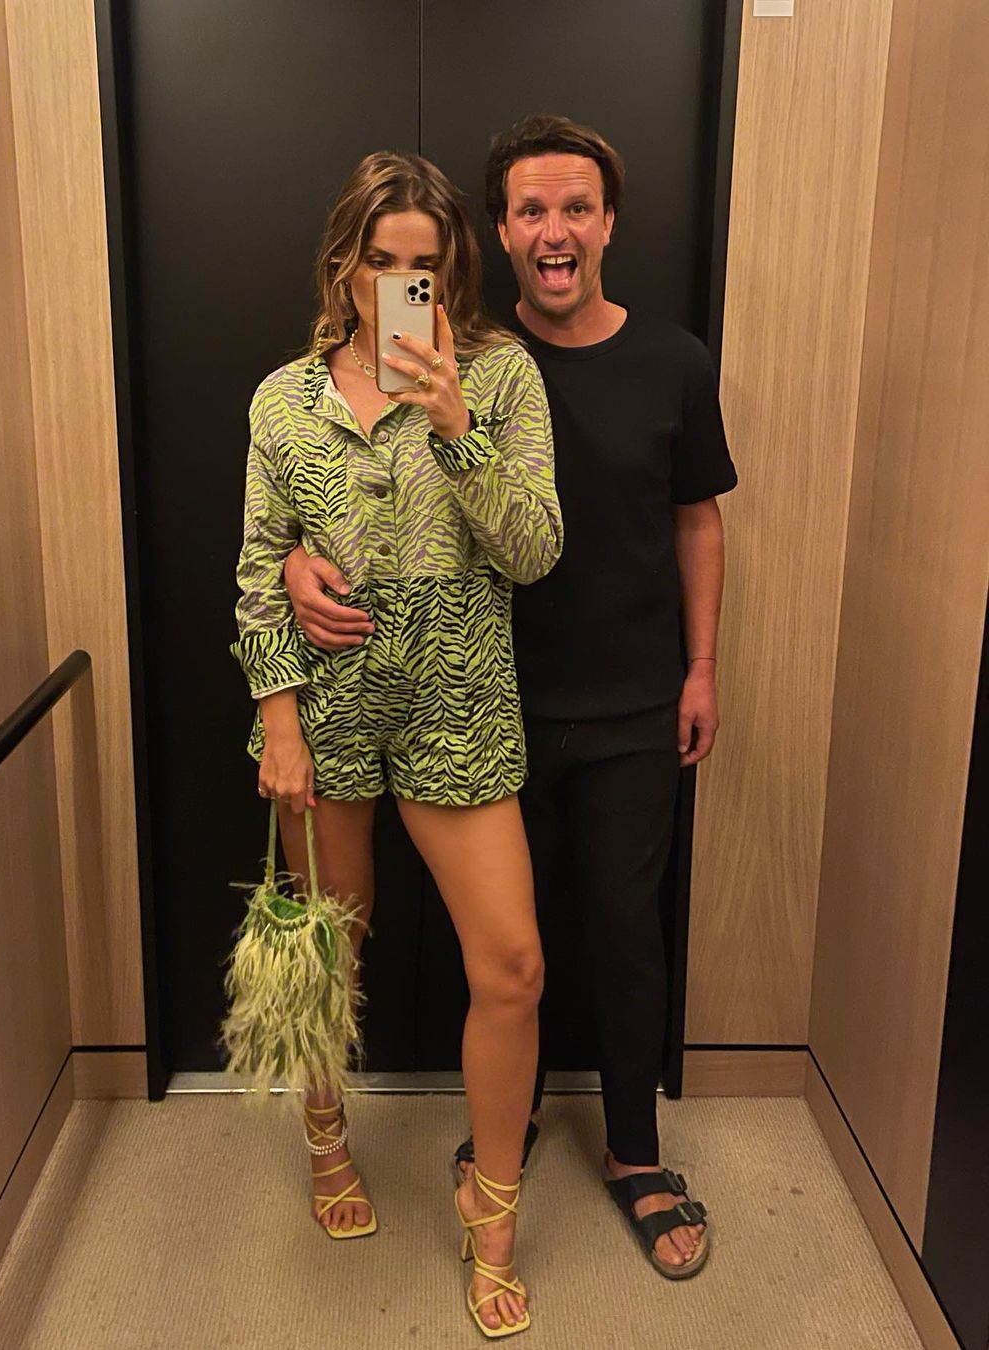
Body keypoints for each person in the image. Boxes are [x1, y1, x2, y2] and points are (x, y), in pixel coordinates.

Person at [283, 116, 737, 1282]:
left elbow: (666, 524)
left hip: (598, 698)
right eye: (533, 209)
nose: (555, 229)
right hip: (455, 700)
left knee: (604, 936)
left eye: (577, 207)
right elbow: (310, 521)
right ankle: (476, 1133)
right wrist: (288, 571)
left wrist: (701, 666)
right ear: (501, 231)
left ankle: (617, 1161)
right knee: (443, 948)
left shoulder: (624, 366)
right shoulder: (386, 374)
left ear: (608, 222)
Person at [231, 151, 562, 1337]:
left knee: (512, 967)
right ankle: (328, 1140)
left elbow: (534, 551)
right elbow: (257, 568)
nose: (402, 286)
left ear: (452, 268)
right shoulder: (284, 400)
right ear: (346, 264)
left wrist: (458, 426)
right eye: (382, 262)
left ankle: (492, 1213)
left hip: (458, 697)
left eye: (424, 264)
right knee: (334, 949)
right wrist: (278, 718)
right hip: (326, 704)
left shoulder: (502, 377)